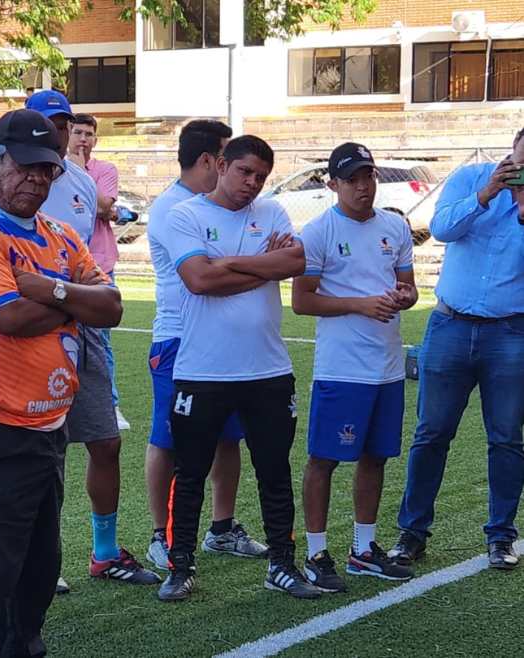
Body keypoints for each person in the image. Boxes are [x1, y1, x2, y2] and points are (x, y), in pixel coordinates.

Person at [0, 108, 123, 657]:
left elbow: (109, 306)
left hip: (48, 421)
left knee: (40, 566)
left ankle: (25, 648)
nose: (36, 180)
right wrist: (71, 301)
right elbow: (6, 318)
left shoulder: (60, 234)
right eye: (24, 167)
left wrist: (49, 289)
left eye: (47, 171)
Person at [158, 135, 315, 602]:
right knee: (190, 473)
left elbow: (297, 261)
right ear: (221, 164)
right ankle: (181, 565)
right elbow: (200, 279)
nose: (252, 183)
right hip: (203, 370)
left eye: (261, 177)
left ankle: (282, 566)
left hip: (267, 369)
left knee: (274, 469)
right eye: (245, 172)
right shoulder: (184, 214)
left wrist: (231, 261)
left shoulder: (272, 213)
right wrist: (265, 265)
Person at [26, 90, 159, 591]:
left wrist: (84, 296)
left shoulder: (79, 181)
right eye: (47, 120)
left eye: (62, 121)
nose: (57, 131)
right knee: (47, 446)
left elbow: (85, 259)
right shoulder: (0, 179)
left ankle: (104, 552)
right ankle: (43, 557)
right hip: (33, 326)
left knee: (105, 439)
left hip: (83, 326)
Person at [391, 128, 524, 571]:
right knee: (431, 433)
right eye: (520, 160)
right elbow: (443, 228)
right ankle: (412, 532)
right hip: (450, 323)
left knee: (506, 437)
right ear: (512, 150)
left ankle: (501, 535)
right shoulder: (471, 178)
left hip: (511, 332)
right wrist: (488, 193)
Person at [292, 143, 419, 593]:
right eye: (353, 179)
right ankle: (315, 553)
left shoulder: (395, 226)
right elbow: (302, 301)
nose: (364, 186)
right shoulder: (319, 231)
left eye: (369, 176)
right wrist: (361, 305)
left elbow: (410, 289)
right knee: (324, 459)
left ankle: (364, 549)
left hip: (386, 366)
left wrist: (403, 297)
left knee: (376, 456)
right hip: (342, 368)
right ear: (333, 185)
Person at [144, 120, 268, 571]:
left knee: (228, 437)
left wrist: (242, 267)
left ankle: (222, 527)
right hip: (178, 338)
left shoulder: (228, 208)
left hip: (227, 341)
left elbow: (271, 259)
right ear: (209, 161)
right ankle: (163, 534)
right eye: (226, 158)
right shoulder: (173, 210)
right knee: (170, 438)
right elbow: (202, 277)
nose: (237, 172)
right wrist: (260, 267)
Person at [68, 113, 129, 432]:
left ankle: (110, 404)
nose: (83, 139)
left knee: (100, 339)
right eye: (77, 132)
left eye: (89, 134)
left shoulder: (104, 170)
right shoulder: (55, 170)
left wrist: (78, 175)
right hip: (64, 266)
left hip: (100, 264)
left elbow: (105, 206)